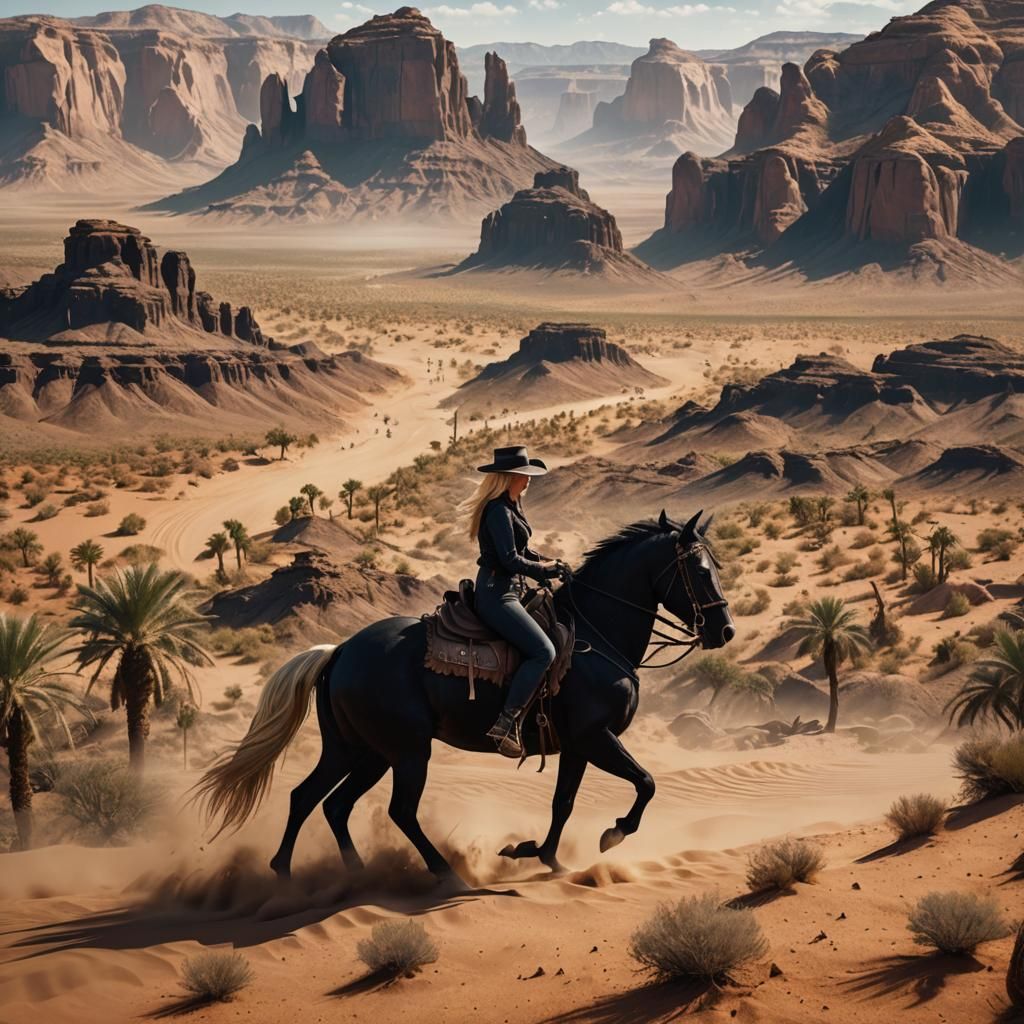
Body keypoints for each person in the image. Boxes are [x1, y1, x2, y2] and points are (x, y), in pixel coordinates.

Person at [459, 445, 567, 758]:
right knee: (543, 651)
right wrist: (543, 570)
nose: (528, 479)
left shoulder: (512, 505)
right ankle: (505, 723)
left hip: (511, 590)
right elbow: (508, 560)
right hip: (497, 594)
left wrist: (550, 563)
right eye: (523, 474)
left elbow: (522, 551)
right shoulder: (497, 510)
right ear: (509, 477)